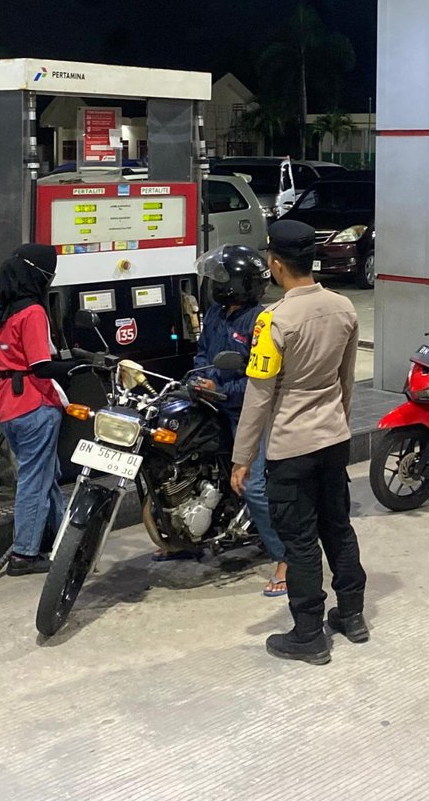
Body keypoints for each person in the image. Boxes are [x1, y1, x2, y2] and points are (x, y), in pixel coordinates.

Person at [232, 220, 366, 664]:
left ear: (275, 264)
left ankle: (309, 634)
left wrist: (242, 457)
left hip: (291, 446)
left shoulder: (274, 320)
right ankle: (352, 616)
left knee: (301, 541)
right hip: (334, 438)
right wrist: (339, 425)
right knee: (338, 527)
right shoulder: (344, 307)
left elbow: (258, 395)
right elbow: (346, 380)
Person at [194, 244, 286, 596]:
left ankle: (286, 557)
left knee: (254, 487)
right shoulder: (215, 313)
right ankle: (181, 539)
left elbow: (258, 379)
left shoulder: (261, 321)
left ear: (238, 283)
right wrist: (199, 381)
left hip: (246, 412)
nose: (216, 283)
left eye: (222, 277)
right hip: (209, 402)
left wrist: (221, 390)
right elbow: (202, 353)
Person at [0, 244, 77, 576]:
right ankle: (24, 554)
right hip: (34, 405)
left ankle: (63, 540)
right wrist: (81, 365)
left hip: (6, 404)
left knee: (45, 475)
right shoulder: (33, 312)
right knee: (35, 480)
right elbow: (41, 366)